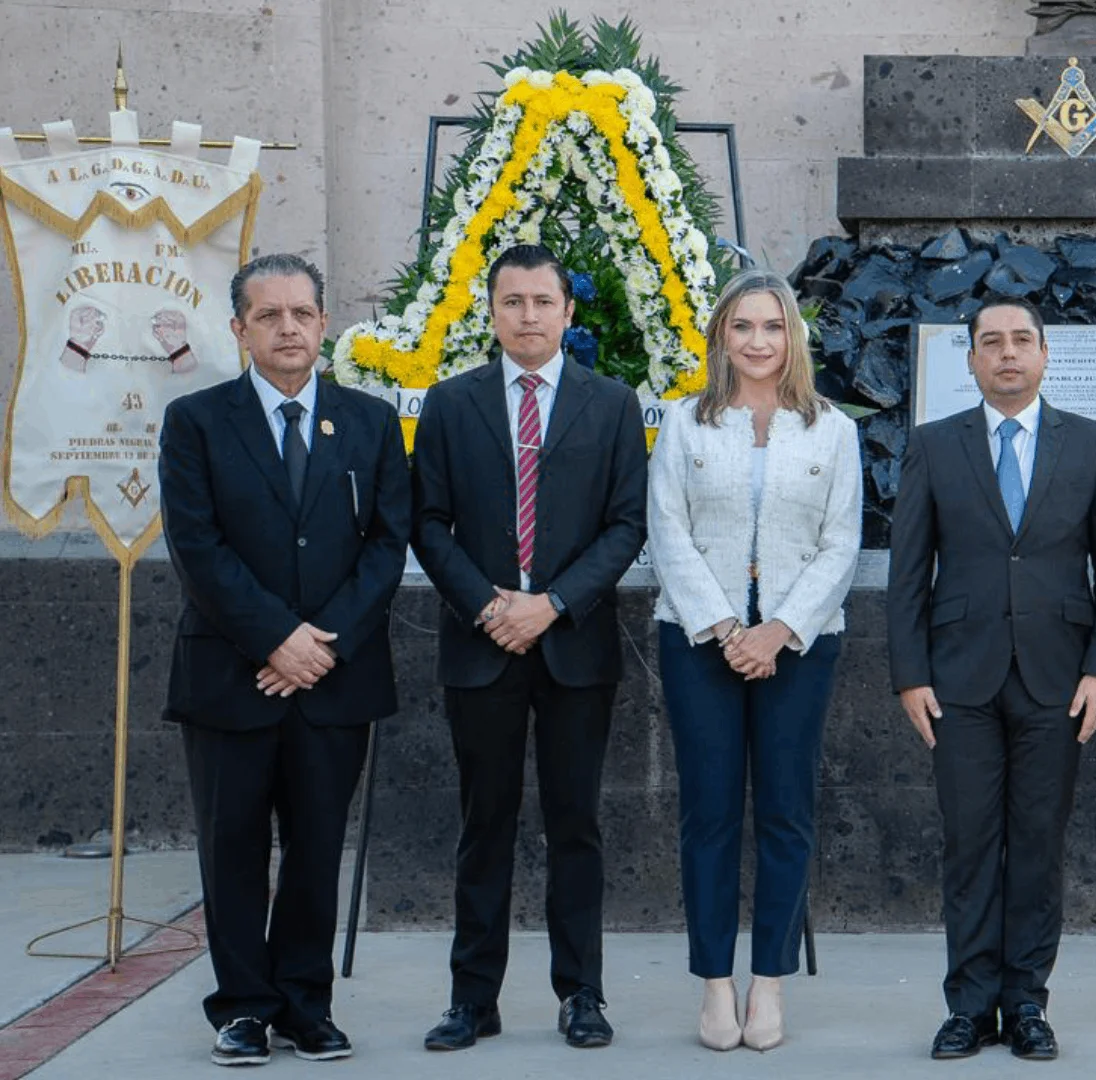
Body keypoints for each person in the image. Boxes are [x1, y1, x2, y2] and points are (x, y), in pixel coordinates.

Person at [158, 253, 409, 1066]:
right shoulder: (196, 422)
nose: (288, 328)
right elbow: (197, 545)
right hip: (232, 674)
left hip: (334, 675)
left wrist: (320, 640)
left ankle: (306, 1004)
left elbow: (385, 544)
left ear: (325, 323)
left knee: (314, 845)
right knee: (231, 847)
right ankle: (242, 1008)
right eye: (268, 316)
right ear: (239, 330)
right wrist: (275, 638)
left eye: (301, 313)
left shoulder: (369, 423)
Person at [887, 297, 1096, 1062]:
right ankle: (968, 1005)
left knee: (1037, 844)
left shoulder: (1093, 444)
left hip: (1058, 682)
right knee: (968, 844)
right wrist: (909, 675)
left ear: (1044, 354)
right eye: (990, 343)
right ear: (969, 359)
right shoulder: (934, 446)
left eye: (1020, 341)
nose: (1006, 354)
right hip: (958, 681)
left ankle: (1026, 1002)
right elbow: (906, 575)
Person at [411, 243, 648, 1052]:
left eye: (543, 302)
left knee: (575, 822)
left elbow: (626, 524)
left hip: (573, 647)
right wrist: (488, 606)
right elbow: (428, 523)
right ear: (491, 311)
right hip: (481, 647)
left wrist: (550, 604)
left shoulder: (611, 403)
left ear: (568, 310)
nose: (528, 317)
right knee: (486, 822)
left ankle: (581, 992)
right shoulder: (450, 404)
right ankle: (472, 997)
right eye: (512, 302)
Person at [646, 270, 862, 1052]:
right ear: (720, 339)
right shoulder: (685, 423)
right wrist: (726, 625)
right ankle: (714, 983)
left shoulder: (833, 428)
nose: (759, 341)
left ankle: (768, 982)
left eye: (773, 326)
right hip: (699, 640)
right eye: (743, 327)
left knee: (784, 812)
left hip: (799, 646)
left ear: (792, 337)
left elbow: (842, 542)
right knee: (708, 812)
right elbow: (667, 530)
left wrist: (778, 631)